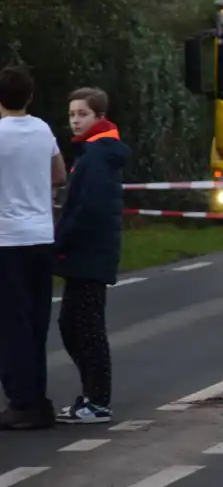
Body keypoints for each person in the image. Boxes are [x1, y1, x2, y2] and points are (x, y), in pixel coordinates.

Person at [53, 86, 129, 424]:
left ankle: (98, 401)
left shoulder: (97, 155)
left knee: (86, 328)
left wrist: (61, 242)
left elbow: (88, 208)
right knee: (73, 325)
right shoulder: (92, 152)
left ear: (99, 116)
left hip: (89, 253)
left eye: (82, 114)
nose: (75, 121)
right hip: (86, 253)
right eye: (71, 115)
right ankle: (91, 396)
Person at [0, 65, 67, 430]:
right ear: (30, 97)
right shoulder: (43, 129)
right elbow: (59, 174)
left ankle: (21, 402)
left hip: (6, 238)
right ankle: (38, 399)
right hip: (41, 236)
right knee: (37, 322)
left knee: (12, 326)